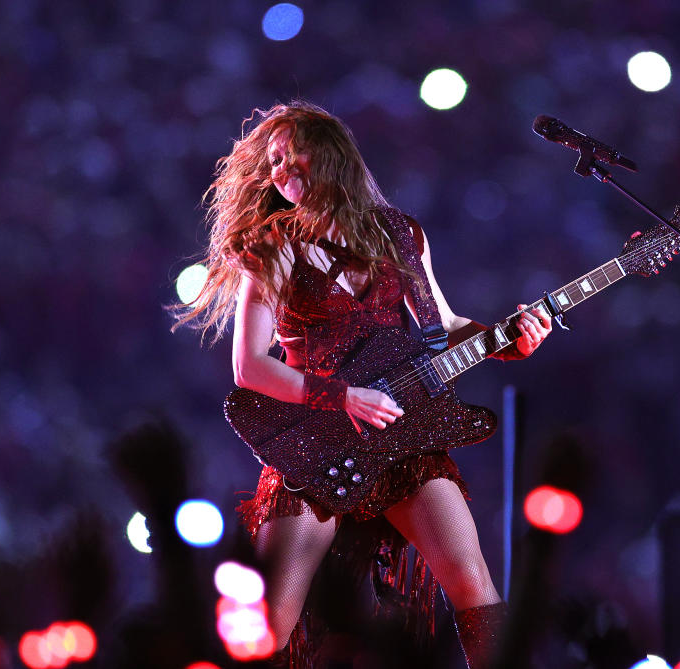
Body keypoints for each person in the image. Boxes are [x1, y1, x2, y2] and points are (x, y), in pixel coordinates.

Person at [174, 100, 552, 667]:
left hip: (402, 440)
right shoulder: (271, 248)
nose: (278, 170)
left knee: (475, 587)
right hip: (314, 446)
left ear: (329, 152)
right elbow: (249, 367)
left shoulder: (401, 235)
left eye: (289, 153)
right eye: (271, 161)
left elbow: (442, 325)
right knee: (269, 626)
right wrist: (341, 396)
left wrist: (510, 339)